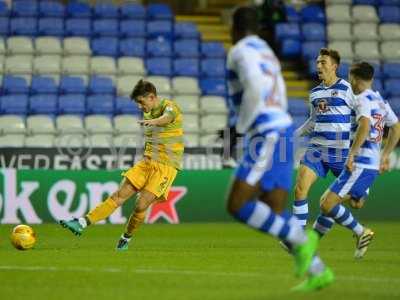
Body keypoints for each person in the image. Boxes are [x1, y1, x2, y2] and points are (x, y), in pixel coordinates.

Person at [225, 6, 334, 291]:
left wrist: (238, 130)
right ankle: (318, 271)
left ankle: (303, 239)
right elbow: (278, 89)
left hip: (268, 132)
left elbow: (256, 85)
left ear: (233, 28)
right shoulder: (267, 52)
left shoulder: (239, 51)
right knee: (272, 209)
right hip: (282, 129)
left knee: (237, 204)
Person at [59, 79, 184, 251]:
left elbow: (167, 118)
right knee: (118, 196)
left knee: (141, 205)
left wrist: (155, 122)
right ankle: (81, 222)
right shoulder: (147, 113)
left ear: (152, 97)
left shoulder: (169, 107)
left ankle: (126, 238)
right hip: (147, 162)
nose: (140, 107)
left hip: (166, 166)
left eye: (141, 102)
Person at [314, 62, 400, 258]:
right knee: (340, 202)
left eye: (350, 77)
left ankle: (362, 232)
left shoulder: (362, 100)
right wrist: (384, 156)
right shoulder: (379, 100)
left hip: (360, 164)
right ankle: (309, 244)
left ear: (354, 78)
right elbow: (396, 128)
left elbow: (364, 125)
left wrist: (351, 154)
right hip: (369, 165)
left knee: (327, 204)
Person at [293, 48, 357, 229]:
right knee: (299, 189)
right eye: (317, 62)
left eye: (323, 63)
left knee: (356, 199)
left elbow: (363, 116)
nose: (319, 66)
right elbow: (312, 121)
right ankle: (298, 235)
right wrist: (292, 135)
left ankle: (359, 230)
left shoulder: (347, 89)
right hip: (316, 151)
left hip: (341, 152)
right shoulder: (314, 93)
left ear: (334, 67)